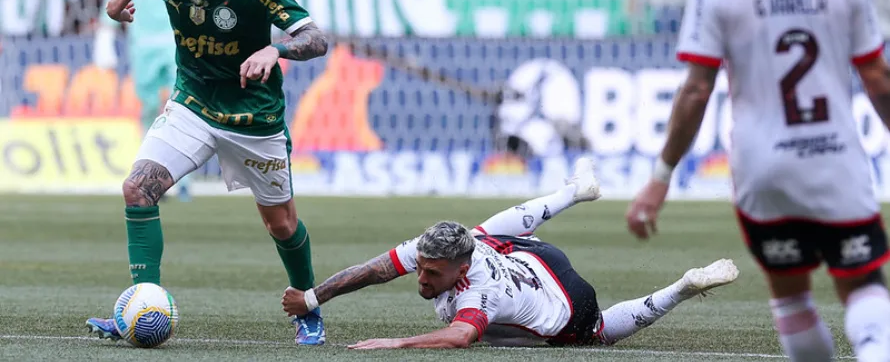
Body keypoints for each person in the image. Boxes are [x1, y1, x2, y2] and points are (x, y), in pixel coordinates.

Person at [626, 0, 890, 361]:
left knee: (791, 296)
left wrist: (660, 178)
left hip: (763, 167)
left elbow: (696, 90)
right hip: (835, 158)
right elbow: (876, 77)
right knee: (864, 285)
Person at [85, 0, 329, 345]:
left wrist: (277, 50)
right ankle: (141, 304)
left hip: (254, 117)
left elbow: (315, 38)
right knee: (137, 189)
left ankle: (307, 308)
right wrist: (118, 2)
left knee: (281, 224)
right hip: (192, 105)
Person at [282, 158, 739, 349]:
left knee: (598, 334)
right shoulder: (444, 247)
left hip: (567, 304)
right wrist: (312, 298)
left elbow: (461, 336)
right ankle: (575, 192)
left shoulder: (479, 290)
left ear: (459, 270)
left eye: (432, 275)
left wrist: (396, 342)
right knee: (480, 231)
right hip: (533, 258)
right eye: (420, 269)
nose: (420, 280)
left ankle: (681, 287)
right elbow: (375, 270)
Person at [94, 0, 193, 202]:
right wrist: (105, 36)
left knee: (177, 108)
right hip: (142, 43)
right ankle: (150, 175)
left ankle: (182, 181)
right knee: (149, 108)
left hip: (177, 40)